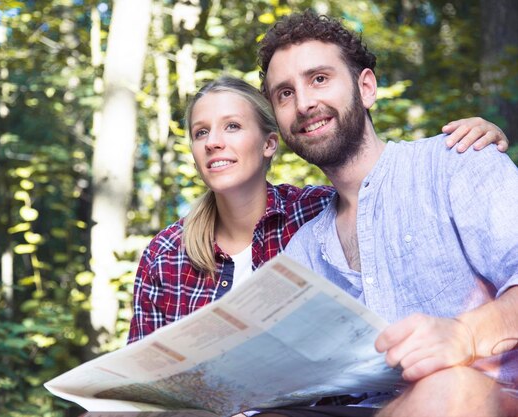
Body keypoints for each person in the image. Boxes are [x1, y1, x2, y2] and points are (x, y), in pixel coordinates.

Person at [255, 9, 518, 417]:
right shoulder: (304, 251)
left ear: (366, 88)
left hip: (486, 396)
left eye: (319, 79)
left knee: (450, 388)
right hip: (369, 409)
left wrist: (466, 334)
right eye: (284, 93)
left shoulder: (458, 161)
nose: (304, 103)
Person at [127, 76, 509, 345]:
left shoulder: (315, 213)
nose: (213, 143)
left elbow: (385, 186)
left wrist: (477, 136)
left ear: (269, 144)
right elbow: (140, 378)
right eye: (201, 132)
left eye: (231, 126)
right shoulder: (165, 255)